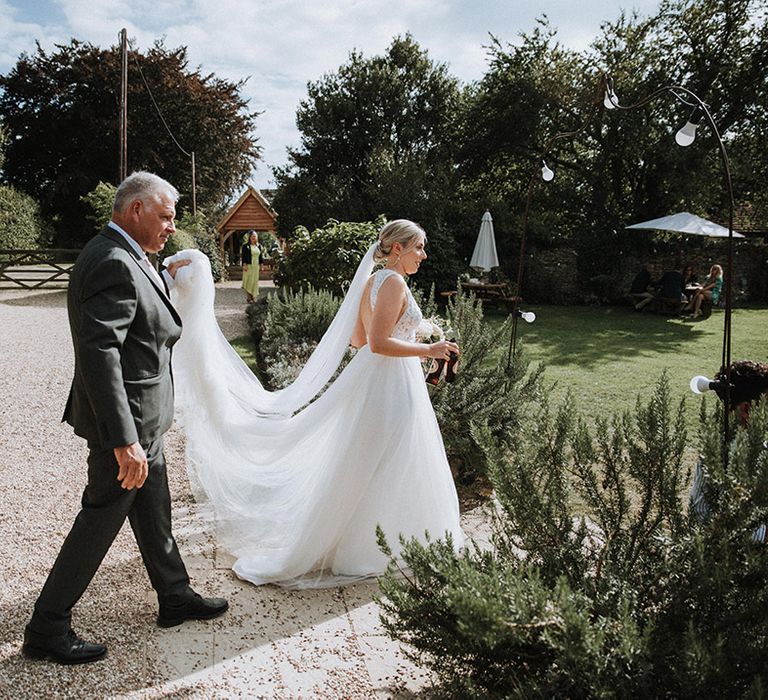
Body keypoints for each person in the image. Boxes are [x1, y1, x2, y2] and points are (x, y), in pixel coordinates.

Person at [165, 219, 464, 588]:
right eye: (419, 247)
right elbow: (379, 343)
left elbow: (357, 339)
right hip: (389, 383)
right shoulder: (395, 282)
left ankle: (363, 542)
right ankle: (381, 545)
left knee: (373, 459)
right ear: (398, 249)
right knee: (396, 458)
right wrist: (429, 347)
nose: (424, 254)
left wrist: (412, 336)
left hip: (374, 379)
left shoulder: (373, 281)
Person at [22, 172, 228, 666]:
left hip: (144, 422)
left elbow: (144, 318)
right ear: (135, 209)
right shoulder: (113, 260)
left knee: (155, 510)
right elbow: (101, 354)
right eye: (165, 216)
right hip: (129, 426)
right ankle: (47, 627)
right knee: (100, 520)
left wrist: (167, 276)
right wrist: (123, 441)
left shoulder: (130, 254)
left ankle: (174, 595)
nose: (171, 227)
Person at [689, 360, 768, 543]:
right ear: (747, 409)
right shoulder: (718, 455)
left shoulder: (760, 446)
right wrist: (761, 535)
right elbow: (700, 515)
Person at [241, 230, 260, 303]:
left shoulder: (258, 246)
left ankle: (254, 297)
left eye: (255, 236)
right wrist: (244, 264)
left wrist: (261, 264)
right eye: (252, 236)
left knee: (255, 282)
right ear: (249, 237)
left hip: (256, 266)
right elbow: (244, 256)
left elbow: (260, 256)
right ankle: (249, 298)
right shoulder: (245, 246)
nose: (254, 238)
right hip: (248, 266)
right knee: (249, 281)